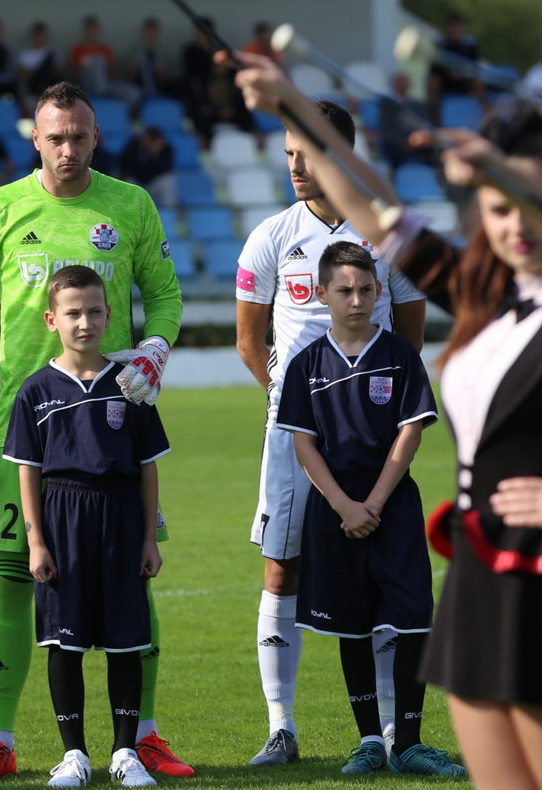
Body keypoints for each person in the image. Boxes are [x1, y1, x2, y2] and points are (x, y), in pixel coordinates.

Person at [235, 52, 542, 789]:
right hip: (480, 583)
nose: (514, 225)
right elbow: (381, 222)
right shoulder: (477, 291)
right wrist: (290, 106)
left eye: (529, 204)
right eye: (499, 208)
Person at [0, 81, 191, 782]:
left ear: (96, 135)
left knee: (132, 578)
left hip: (113, 421)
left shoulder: (130, 204)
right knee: (16, 574)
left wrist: (155, 349)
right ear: (35, 139)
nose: (69, 149)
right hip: (24, 420)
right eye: (56, 138)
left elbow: (165, 295)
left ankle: (144, 735)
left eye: (80, 136)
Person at [234, 97, 427, 766]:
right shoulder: (269, 237)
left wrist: (367, 408)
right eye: (288, 152)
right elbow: (249, 342)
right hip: (296, 441)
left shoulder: (390, 235)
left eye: (308, 153)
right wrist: (300, 412)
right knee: (281, 567)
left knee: (377, 570)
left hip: (373, 441)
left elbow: (411, 333)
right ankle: (281, 728)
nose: (295, 165)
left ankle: (392, 739)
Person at [276, 241, 464, 776]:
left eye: (364, 290)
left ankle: (408, 740)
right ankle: (368, 742)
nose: (355, 300)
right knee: (351, 624)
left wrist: (374, 503)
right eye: (344, 290)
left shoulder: (400, 353)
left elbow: (410, 434)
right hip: (334, 507)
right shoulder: (306, 363)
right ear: (321, 294)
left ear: (379, 292)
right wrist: (343, 505)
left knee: (412, 620)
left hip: (392, 501)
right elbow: (304, 444)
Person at [5, 265, 167, 788]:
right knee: (63, 642)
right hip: (63, 518)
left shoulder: (131, 385)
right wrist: (36, 540)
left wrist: (147, 537)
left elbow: (148, 467)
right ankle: (74, 754)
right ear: (52, 319)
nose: (85, 322)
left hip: (120, 518)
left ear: (109, 315)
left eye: (94, 311)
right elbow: (28, 470)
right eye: (73, 313)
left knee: (125, 640)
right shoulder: (35, 391)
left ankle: (125, 753)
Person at [17, 22, 64, 105]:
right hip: (32, 92)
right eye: (37, 35)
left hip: (51, 93)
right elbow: (23, 75)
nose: (39, 38)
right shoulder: (25, 54)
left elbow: (58, 73)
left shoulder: (54, 54)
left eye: (41, 35)